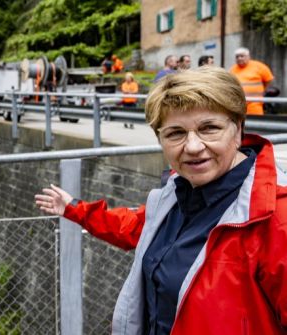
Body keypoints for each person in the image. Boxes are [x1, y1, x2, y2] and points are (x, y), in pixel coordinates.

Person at [35, 67, 287, 334]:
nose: (192, 146)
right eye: (175, 133)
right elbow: (136, 227)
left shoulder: (274, 216)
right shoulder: (174, 197)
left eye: (209, 128)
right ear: (160, 139)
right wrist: (75, 208)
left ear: (237, 130)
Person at [229, 47, 274, 115]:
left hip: (255, 104)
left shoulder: (259, 66)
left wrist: (262, 90)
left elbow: (268, 80)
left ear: (248, 56)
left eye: (242, 56)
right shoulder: (232, 69)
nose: (239, 58)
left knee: (256, 123)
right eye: (237, 56)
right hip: (238, 104)